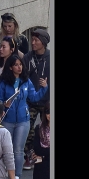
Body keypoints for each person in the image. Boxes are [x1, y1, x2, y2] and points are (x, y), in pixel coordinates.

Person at [0, 54, 48, 179]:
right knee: (6, 148)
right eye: (16, 65)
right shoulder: (4, 82)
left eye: (21, 65)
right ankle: (4, 172)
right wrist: (3, 105)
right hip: (8, 119)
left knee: (18, 149)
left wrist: (44, 88)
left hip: (23, 120)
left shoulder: (26, 81)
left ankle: (17, 176)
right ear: (11, 67)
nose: (19, 67)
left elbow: (34, 97)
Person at [22, 28, 50, 170]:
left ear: (43, 43)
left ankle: (47, 155)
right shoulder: (27, 58)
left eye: (36, 40)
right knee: (27, 128)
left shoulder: (50, 58)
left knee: (48, 128)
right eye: (32, 40)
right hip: (31, 100)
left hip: (47, 100)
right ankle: (31, 156)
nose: (33, 43)